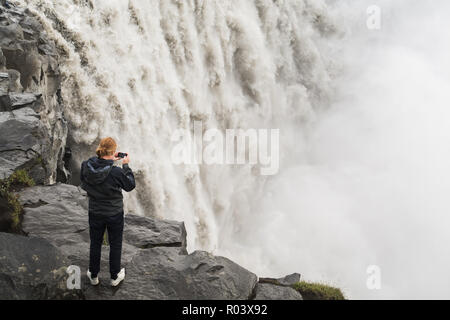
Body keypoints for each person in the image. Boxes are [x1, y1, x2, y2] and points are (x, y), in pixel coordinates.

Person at [80, 137, 135, 287]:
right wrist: (126, 166)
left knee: (95, 243)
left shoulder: (86, 165)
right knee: (115, 244)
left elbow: (85, 180)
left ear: (100, 150)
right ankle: (115, 276)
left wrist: (110, 159)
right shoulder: (116, 172)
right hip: (114, 214)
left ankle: (93, 274)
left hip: (95, 211)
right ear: (112, 152)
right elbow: (130, 185)